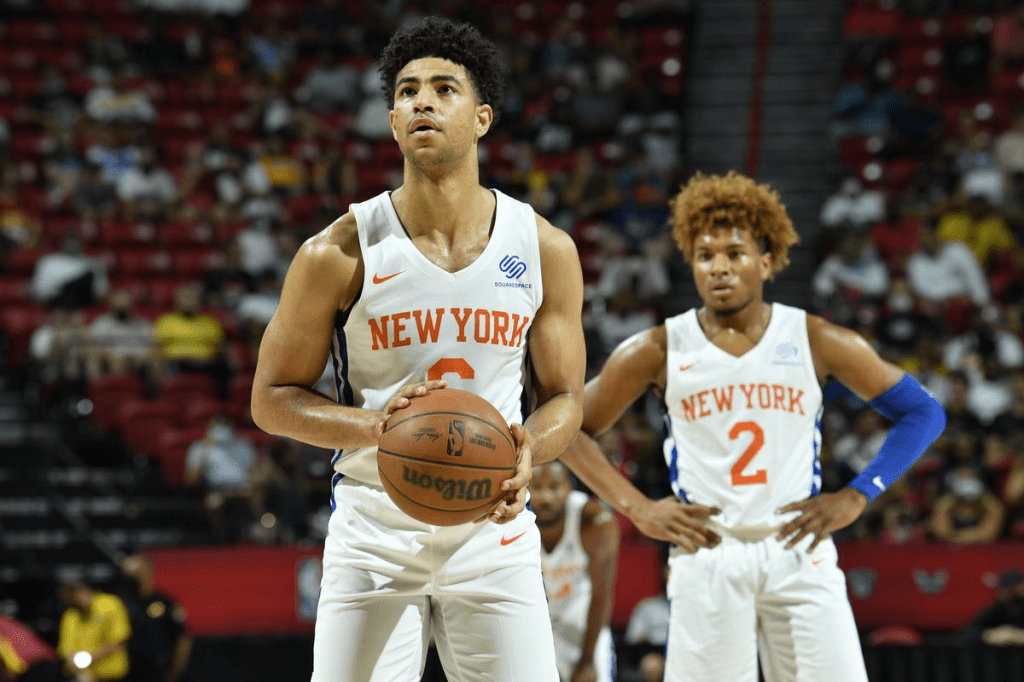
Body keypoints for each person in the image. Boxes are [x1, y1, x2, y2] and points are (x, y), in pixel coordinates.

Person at [249, 16, 585, 682]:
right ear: (393, 122)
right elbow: (270, 401)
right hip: (375, 530)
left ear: (483, 118)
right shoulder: (336, 252)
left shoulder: (544, 248)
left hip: (494, 531)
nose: (421, 102)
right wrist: (378, 427)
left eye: (443, 89)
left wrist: (530, 452)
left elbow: (566, 398)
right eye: (407, 92)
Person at [559, 171, 946, 682]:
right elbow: (567, 427)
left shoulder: (815, 338)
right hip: (708, 550)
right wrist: (637, 508)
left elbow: (924, 412)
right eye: (705, 255)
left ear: (766, 262)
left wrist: (859, 494)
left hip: (798, 546)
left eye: (735, 253)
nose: (719, 267)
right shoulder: (658, 348)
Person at [530, 460, 618, 682]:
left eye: (554, 487)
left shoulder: (595, 522)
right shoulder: (513, 518)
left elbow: (601, 595)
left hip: (580, 622)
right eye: (536, 487)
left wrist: (587, 660)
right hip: (533, 622)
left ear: (569, 488)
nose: (546, 498)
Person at [184, 412, 261, 543]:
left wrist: (251, 486)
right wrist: (205, 450)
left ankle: (256, 536)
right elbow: (191, 480)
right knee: (214, 504)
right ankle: (222, 541)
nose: (222, 430)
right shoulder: (199, 447)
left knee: (259, 496)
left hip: (243, 490)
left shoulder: (244, 446)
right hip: (217, 490)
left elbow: (255, 473)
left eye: (226, 426)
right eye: (218, 426)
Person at [118, 554, 192, 682]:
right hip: (127, 670)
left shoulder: (165, 603)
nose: (133, 579)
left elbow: (182, 637)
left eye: (137, 573)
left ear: (148, 572)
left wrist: (176, 669)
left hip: (158, 668)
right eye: (129, 575)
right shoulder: (120, 603)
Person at [56, 580, 132, 682]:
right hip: (82, 676)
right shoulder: (70, 615)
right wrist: (81, 670)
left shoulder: (109, 604)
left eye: (77, 592)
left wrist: (87, 660)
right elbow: (66, 649)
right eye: (70, 595)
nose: (76, 597)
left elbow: (119, 640)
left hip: (112, 675)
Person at [960, 568, 1024, 646]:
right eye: (1005, 588)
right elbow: (969, 631)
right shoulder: (998, 608)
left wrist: (1017, 635)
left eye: (1012, 589)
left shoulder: (1020, 605)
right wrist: (990, 634)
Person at [0, 614, 62, 682]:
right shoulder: (6, 622)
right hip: (46, 661)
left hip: (38, 665)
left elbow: (14, 666)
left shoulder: (5, 624)